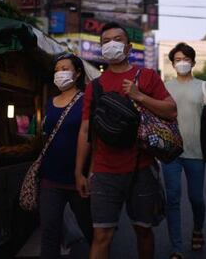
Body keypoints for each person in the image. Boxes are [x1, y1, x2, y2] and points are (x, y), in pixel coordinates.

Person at [75, 22, 177, 259]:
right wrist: (79, 171)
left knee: (143, 231)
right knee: (101, 236)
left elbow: (171, 110)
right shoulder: (95, 86)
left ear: (129, 47)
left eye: (117, 39)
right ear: (101, 49)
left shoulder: (148, 76)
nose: (112, 44)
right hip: (104, 171)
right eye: (106, 41)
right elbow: (85, 131)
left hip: (142, 169)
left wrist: (139, 95)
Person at [164, 42, 206, 259]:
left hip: (196, 153)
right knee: (172, 199)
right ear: (172, 63)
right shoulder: (165, 87)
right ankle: (176, 248)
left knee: (196, 198)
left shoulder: (204, 87)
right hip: (170, 153)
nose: (182, 63)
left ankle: (198, 229)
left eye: (186, 59)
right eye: (178, 59)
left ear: (193, 62)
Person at [40, 53, 93, 258]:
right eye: (56, 70)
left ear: (77, 73)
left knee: (90, 229)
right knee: (49, 232)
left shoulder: (86, 100)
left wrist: (89, 173)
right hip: (50, 179)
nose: (59, 73)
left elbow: (92, 138)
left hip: (78, 179)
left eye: (65, 69)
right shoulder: (50, 101)